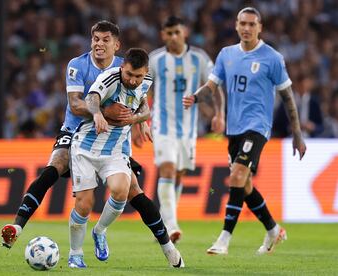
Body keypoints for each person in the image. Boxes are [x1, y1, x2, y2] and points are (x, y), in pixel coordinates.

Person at [0, 21, 183, 268]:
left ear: (116, 45)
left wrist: (140, 123)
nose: (99, 43)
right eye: (95, 38)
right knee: (56, 165)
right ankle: (17, 226)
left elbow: (139, 100)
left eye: (105, 39)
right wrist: (104, 113)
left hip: (113, 137)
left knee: (132, 190)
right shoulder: (77, 65)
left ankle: (166, 247)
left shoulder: (127, 67)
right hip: (76, 130)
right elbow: (76, 105)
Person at [183, 7, 307, 255]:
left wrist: (297, 133)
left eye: (252, 24)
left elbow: (288, 97)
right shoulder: (226, 55)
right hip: (234, 129)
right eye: (243, 23)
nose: (247, 28)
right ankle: (273, 230)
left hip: (258, 127)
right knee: (245, 185)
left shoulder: (272, 58)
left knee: (237, 176)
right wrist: (195, 98)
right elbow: (212, 85)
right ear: (236, 25)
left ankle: (224, 239)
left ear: (260, 27)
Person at [68, 48, 184, 268]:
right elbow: (92, 98)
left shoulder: (146, 80)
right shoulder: (109, 77)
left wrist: (139, 121)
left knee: (122, 189)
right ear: (123, 67)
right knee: (84, 205)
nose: (132, 80)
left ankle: (99, 231)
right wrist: (98, 114)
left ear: (145, 73)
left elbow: (143, 106)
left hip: (116, 148)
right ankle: (75, 254)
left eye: (138, 76)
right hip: (85, 146)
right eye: (129, 74)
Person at [149, 16, 223, 243]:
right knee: (168, 170)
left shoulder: (199, 58)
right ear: (163, 35)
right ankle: (171, 225)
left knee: (179, 175)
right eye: (169, 33)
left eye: (177, 32)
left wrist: (220, 114)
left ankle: (164, 222)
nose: (173, 37)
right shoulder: (155, 59)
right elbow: (143, 91)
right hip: (162, 126)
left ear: (185, 32)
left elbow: (214, 85)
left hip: (188, 130)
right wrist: (141, 121)